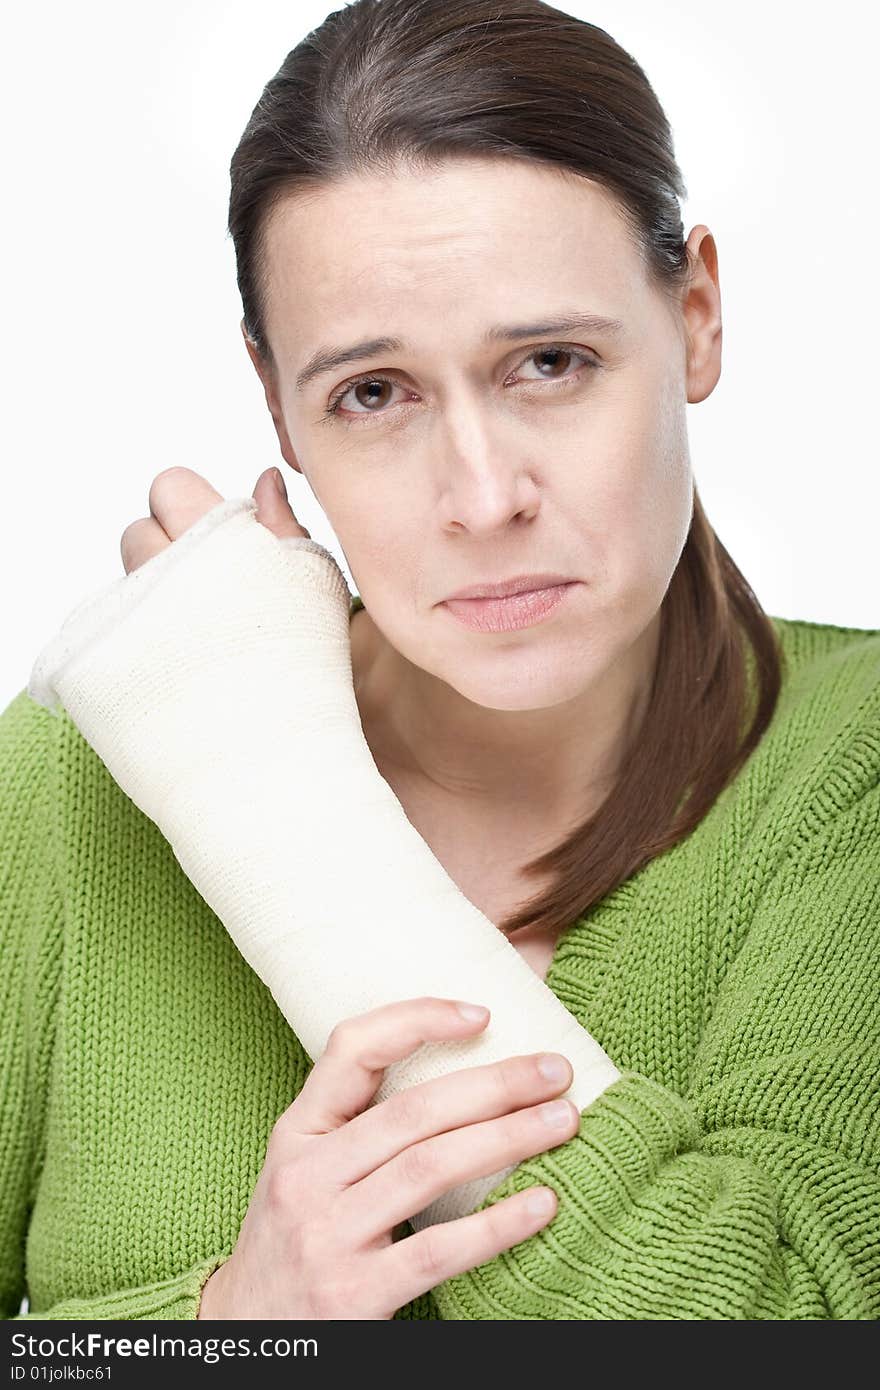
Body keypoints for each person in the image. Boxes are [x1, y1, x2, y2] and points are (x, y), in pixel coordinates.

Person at [2, 0, 878, 1321]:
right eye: (373, 392)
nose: (481, 496)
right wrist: (232, 1333)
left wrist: (271, 805)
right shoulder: (74, 783)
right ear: (276, 403)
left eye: (550, 362)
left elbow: (797, 1321)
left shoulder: (850, 765)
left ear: (696, 315)